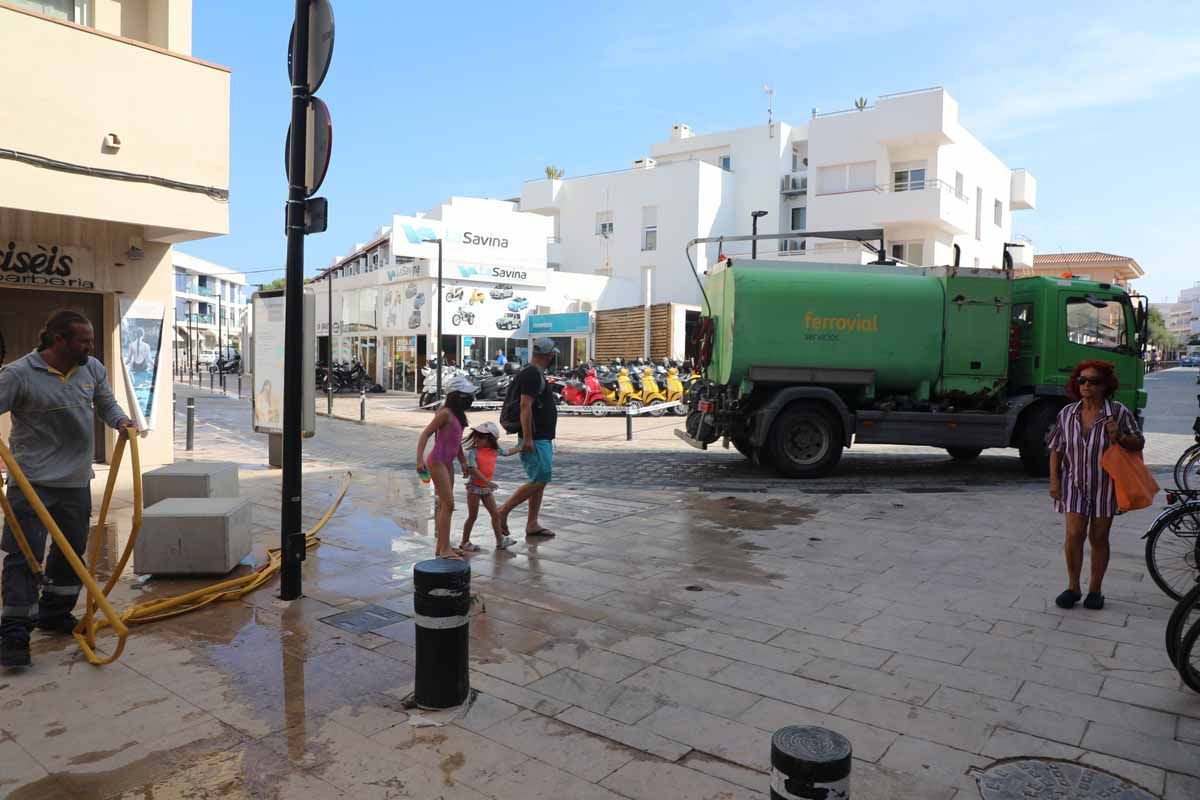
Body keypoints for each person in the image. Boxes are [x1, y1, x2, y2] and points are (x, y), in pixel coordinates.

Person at [0, 309, 135, 668]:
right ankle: (14, 631)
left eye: (91, 339)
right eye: (83, 340)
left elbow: (105, 402)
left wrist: (121, 421)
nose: (91, 345)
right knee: (24, 556)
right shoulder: (18, 374)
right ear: (58, 340)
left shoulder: (91, 368)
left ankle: (54, 613)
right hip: (31, 484)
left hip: (75, 480)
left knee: (71, 552)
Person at [1047, 359, 1144, 610]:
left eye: (1093, 381)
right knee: (1074, 534)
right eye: (1082, 380)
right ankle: (1073, 587)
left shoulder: (1118, 412)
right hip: (1074, 483)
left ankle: (1095, 590)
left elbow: (1139, 443)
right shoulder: (1067, 413)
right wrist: (1055, 482)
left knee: (1099, 537)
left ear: (1105, 386)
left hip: (1106, 486)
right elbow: (1057, 449)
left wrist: (1120, 436)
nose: (1086, 385)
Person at [497, 337, 558, 539]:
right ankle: (502, 512)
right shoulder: (532, 374)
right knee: (540, 479)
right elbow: (525, 406)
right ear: (548, 356)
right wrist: (528, 439)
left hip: (541, 436)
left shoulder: (533, 373)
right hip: (535, 437)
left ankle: (532, 523)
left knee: (538, 479)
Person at [415, 374, 476, 560]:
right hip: (437, 461)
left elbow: (455, 442)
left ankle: (442, 546)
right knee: (448, 504)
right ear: (456, 396)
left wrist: (463, 462)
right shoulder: (444, 413)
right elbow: (425, 434)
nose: (470, 398)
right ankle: (444, 549)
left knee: (445, 506)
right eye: (466, 395)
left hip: (448, 463)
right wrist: (419, 460)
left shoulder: (457, 414)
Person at [458, 421, 517, 553]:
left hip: (486, 489)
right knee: (472, 516)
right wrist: (487, 481)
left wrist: (521, 447)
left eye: (481, 436)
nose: (477, 439)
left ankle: (500, 541)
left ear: (491, 439)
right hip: (475, 488)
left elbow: (507, 452)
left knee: (495, 515)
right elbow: (473, 469)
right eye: (476, 436)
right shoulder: (474, 452)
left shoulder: (494, 450)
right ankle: (464, 542)